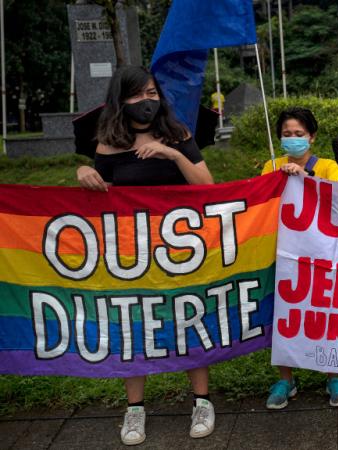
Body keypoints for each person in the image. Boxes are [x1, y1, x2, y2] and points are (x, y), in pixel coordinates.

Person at [76, 65, 215, 445]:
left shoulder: (178, 133)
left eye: (152, 93)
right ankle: (135, 409)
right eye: (137, 95)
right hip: (131, 251)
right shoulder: (108, 142)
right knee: (132, 324)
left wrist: (172, 155)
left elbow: (206, 185)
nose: (146, 102)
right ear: (121, 100)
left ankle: (202, 401)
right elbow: (100, 188)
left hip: (181, 249)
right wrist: (82, 172)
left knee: (190, 319)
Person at [261, 106, 338, 409]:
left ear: (311, 138)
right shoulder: (270, 166)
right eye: (287, 135)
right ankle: (286, 378)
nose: (293, 139)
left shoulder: (327, 166)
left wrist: (306, 177)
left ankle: (333, 376)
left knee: (325, 313)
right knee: (283, 316)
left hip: (319, 254)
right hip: (282, 253)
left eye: (299, 134)